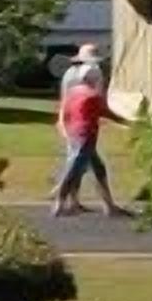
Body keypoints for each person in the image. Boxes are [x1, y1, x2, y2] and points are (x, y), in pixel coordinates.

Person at [54, 58, 124, 217]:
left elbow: (65, 112)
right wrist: (125, 121)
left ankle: (108, 205)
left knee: (98, 168)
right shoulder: (92, 96)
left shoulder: (73, 92)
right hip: (86, 135)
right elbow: (105, 113)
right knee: (74, 168)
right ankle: (59, 203)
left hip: (74, 132)